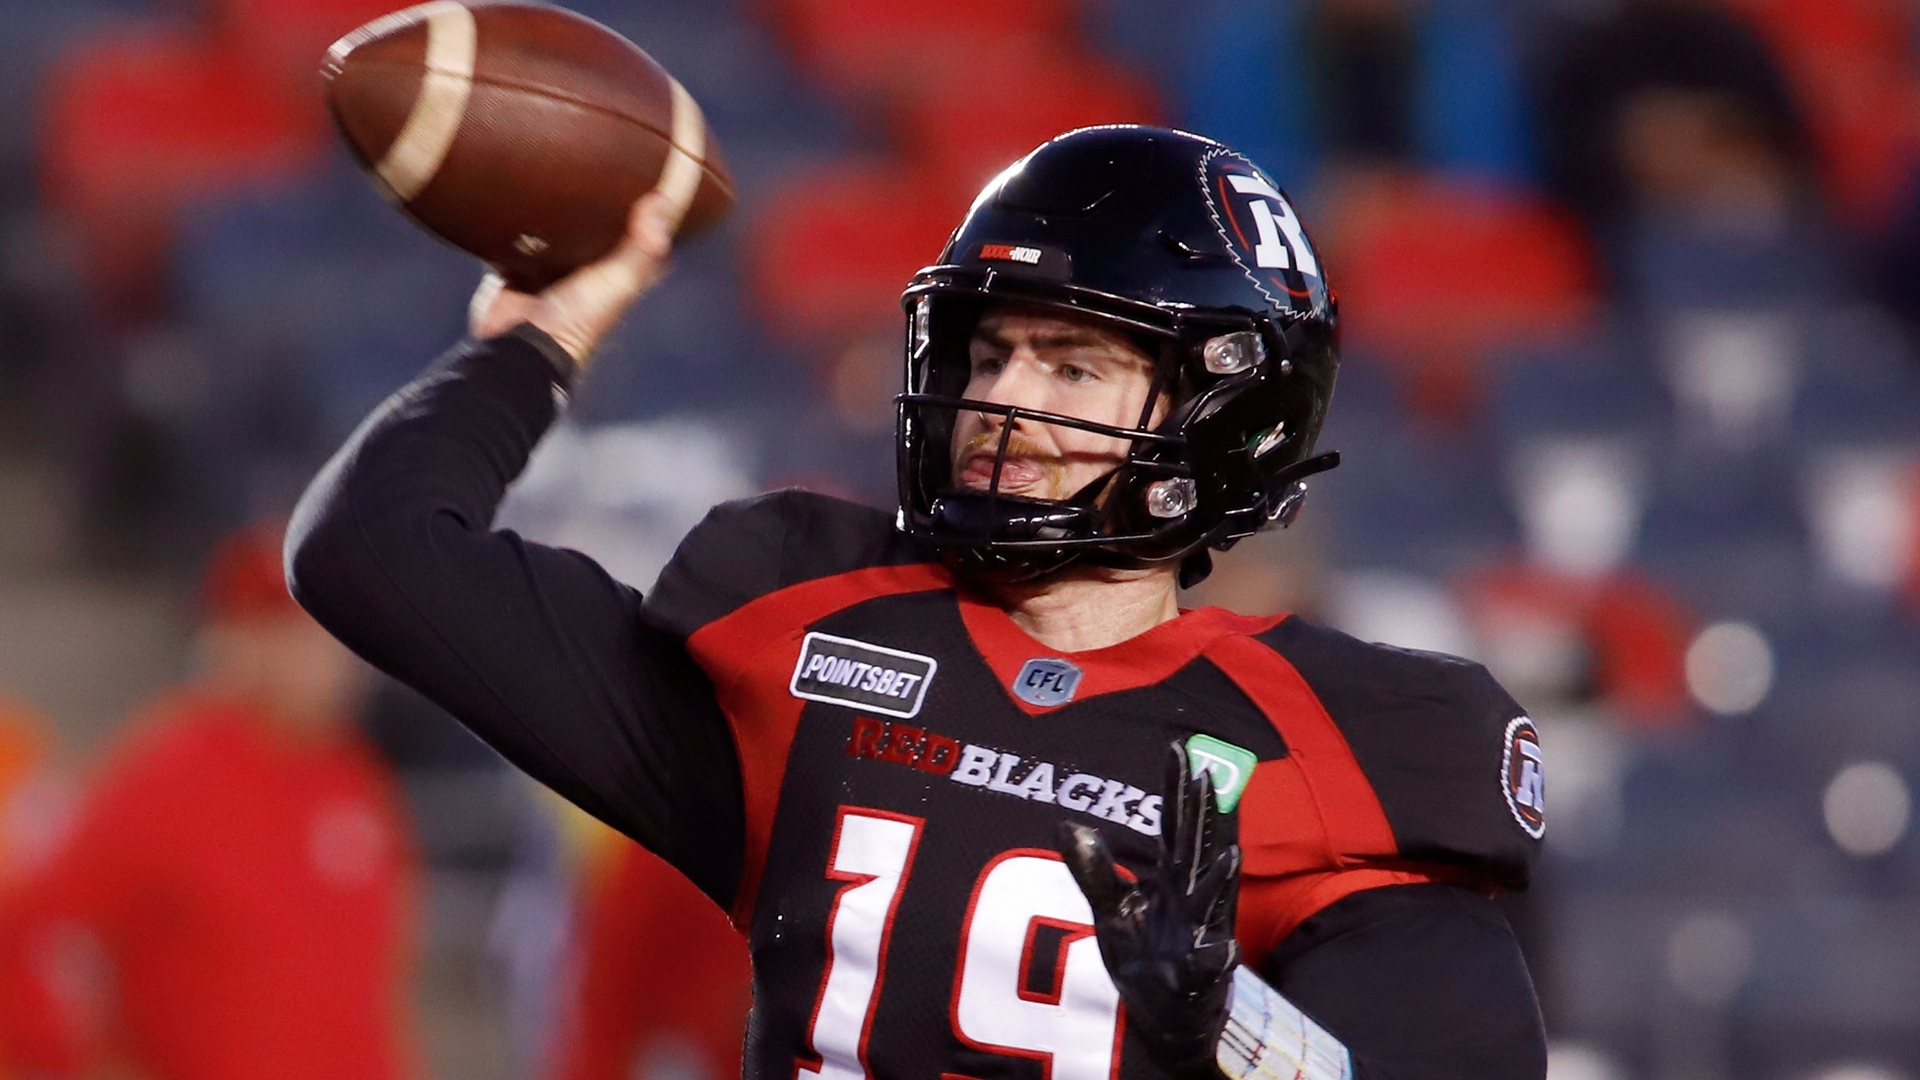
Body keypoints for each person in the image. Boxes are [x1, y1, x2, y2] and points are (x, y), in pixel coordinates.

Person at [289, 126, 1548, 1079]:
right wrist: (535, 335)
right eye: (989, 351)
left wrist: (1230, 1032)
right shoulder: (815, 638)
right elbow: (374, 552)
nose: (1002, 397)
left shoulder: (1331, 745)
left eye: (1072, 362)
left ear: (1225, 414)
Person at [0, 523, 418, 1080]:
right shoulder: (165, 774)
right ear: (234, 638)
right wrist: (64, 1054)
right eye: (290, 628)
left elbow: (371, 988)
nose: (324, 650)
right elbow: (23, 923)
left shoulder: (354, 778)